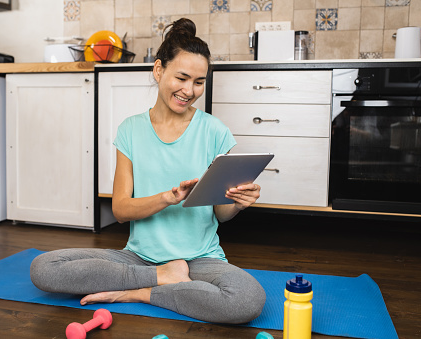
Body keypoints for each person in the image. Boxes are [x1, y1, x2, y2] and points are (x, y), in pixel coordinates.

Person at [30, 18, 266, 324]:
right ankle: (159, 275)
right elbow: (121, 210)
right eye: (181, 77)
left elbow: (220, 214)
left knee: (248, 299)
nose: (189, 90)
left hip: (199, 259)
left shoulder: (215, 132)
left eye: (198, 81)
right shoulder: (130, 130)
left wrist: (236, 202)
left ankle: (140, 292)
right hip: (138, 259)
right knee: (43, 268)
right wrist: (168, 197)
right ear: (158, 70)